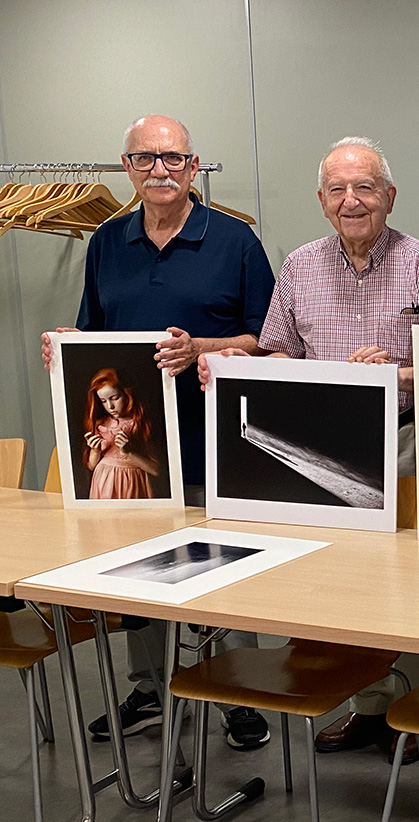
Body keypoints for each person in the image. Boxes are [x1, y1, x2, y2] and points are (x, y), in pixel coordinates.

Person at [200, 136, 419, 764]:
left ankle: (418, 711)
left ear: (389, 197)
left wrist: (397, 373)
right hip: (326, 449)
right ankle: (367, 705)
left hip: (409, 439)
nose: (352, 200)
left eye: (365, 187)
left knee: (414, 580)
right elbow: (279, 353)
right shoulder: (299, 268)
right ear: (321, 200)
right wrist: (246, 361)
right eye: (338, 190)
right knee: (343, 584)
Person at [42, 114, 276, 750]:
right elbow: (94, 333)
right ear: (127, 169)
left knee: (223, 563)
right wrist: (65, 345)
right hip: (139, 445)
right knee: (138, 567)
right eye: (145, 159)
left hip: (218, 436)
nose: (160, 170)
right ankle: (150, 685)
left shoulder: (236, 241)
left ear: (193, 167)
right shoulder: (107, 242)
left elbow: (267, 341)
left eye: (172, 159)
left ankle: (236, 690)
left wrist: (201, 345)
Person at [83, 368, 160, 499]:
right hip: (103, 482)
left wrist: (129, 452)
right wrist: (95, 450)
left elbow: (155, 470)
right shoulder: (101, 425)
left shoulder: (139, 425)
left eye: (114, 398)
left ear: (127, 394)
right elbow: (91, 466)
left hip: (131, 484)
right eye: (103, 401)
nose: (110, 406)